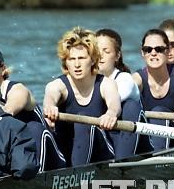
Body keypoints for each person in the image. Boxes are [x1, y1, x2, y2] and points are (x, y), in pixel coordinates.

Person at [0, 44, 64, 171]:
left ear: (3, 68)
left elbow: (7, 112)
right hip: (17, 157)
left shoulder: (17, 89)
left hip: (49, 157)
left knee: (34, 128)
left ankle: (36, 178)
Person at [43, 27, 120, 166]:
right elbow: (50, 97)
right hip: (67, 152)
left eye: (82, 58)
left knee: (83, 121)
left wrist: (111, 114)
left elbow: (114, 105)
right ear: (66, 62)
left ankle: (77, 173)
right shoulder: (57, 85)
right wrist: (50, 107)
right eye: (71, 59)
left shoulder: (106, 84)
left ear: (93, 60)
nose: (77, 64)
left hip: (101, 154)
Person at [132, 29, 174, 150]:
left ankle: (158, 156)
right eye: (148, 49)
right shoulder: (136, 79)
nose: (153, 53)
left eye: (159, 49)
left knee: (158, 111)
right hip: (150, 136)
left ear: (168, 51)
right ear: (142, 53)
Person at [96, 28, 152, 159]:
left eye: (106, 51)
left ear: (117, 56)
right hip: (108, 140)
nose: (100, 55)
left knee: (130, 105)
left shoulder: (125, 79)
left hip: (138, 144)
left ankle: (122, 162)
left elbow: (109, 101)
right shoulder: (87, 81)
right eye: (96, 51)